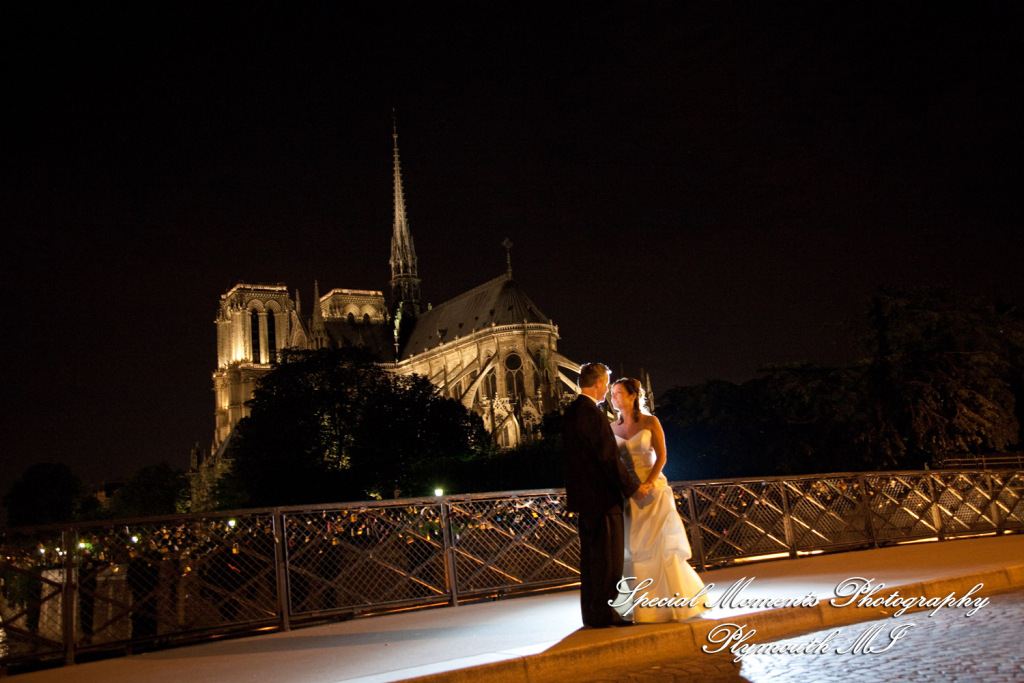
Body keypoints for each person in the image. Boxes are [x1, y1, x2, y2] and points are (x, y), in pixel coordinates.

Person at [609, 377, 707, 622]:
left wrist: (649, 483)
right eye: (612, 393)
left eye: (618, 392)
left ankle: (673, 602)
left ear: (633, 396)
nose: (613, 397)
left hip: (654, 490)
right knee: (634, 548)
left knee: (661, 547)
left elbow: (662, 456)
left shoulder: (651, 422)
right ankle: (642, 606)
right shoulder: (611, 428)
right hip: (629, 494)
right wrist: (630, 487)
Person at [563, 362, 640, 628]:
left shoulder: (572, 411)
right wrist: (631, 487)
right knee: (608, 560)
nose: (607, 389)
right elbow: (607, 457)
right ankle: (605, 612)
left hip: (585, 498)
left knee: (593, 560)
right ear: (598, 384)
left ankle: (594, 614)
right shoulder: (591, 413)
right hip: (602, 498)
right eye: (606, 384)